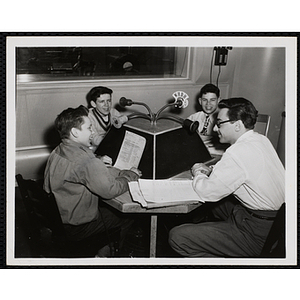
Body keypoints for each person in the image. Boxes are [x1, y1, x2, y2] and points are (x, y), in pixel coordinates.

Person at [169, 98, 285, 257]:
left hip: (257, 232)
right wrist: (211, 170)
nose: (216, 128)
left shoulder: (236, 152)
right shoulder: (260, 139)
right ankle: (215, 235)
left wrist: (198, 172)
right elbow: (242, 171)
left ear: (237, 125)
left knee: (178, 237)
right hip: (278, 223)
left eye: (220, 123)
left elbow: (206, 192)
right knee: (217, 206)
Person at [43, 105, 141, 256]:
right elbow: (111, 190)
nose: (93, 132)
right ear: (75, 132)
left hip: (60, 219)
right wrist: (130, 175)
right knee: (128, 216)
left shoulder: (58, 150)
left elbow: (78, 168)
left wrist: (97, 160)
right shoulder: (86, 162)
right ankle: (108, 255)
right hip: (77, 228)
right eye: (89, 128)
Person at [86, 86, 123, 151]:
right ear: (93, 104)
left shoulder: (114, 112)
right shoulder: (88, 117)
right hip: (96, 150)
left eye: (109, 101)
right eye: (102, 101)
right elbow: (95, 140)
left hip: (112, 146)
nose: (107, 105)